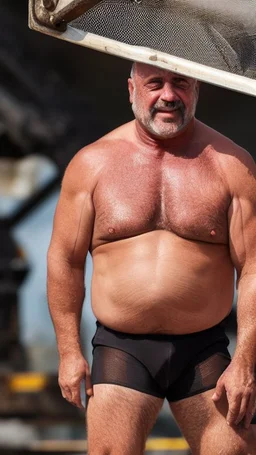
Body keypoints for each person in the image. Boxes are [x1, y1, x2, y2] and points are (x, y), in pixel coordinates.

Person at [47, 62, 256, 455]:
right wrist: (69, 351)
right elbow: (65, 260)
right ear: (131, 89)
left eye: (181, 83)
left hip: (205, 350)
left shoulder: (232, 165)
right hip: (122, 348)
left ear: (197, 89)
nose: (168, 95)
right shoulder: (93, 164)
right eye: (154, 83)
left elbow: (254, 268)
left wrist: (245, 360)